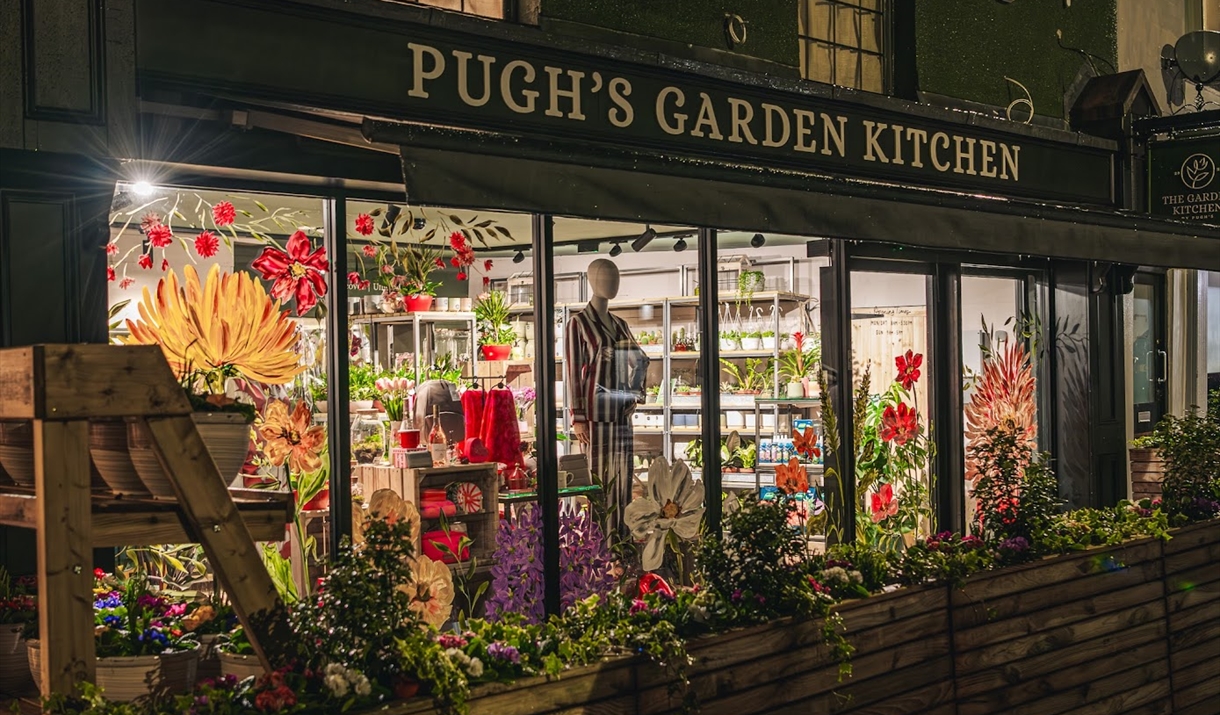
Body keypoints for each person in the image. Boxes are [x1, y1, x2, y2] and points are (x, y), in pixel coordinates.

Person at [565, 259, 649, 531]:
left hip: (620, 416)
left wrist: (634, 395)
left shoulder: (620, 324)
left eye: (615, 278)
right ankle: (598, 548)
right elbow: (573, 371)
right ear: (592, 281)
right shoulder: (578, 324)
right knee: (598, 484)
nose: (612, 284)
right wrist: (577, 416)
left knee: (623, 482)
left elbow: (641, 360)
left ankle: (621, 545)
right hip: (594, 419)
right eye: (606, 278)